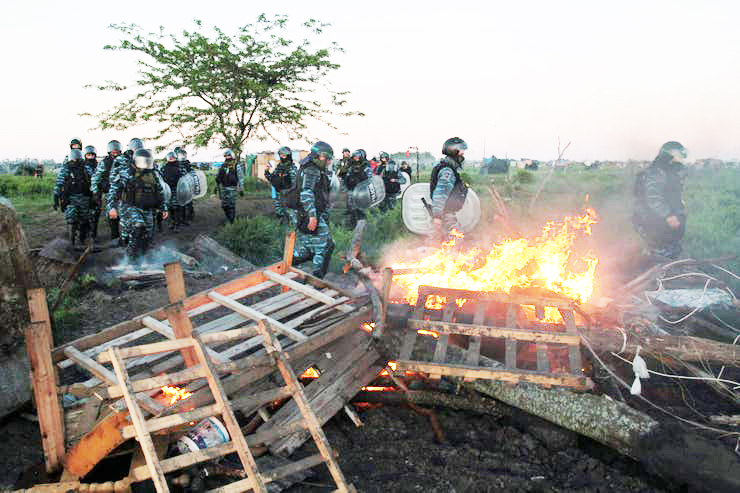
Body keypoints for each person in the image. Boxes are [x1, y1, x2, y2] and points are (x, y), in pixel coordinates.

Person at [108, 148, 168, 260]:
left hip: (147, 208)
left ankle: (142, 259)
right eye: (142, 161)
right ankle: (130, 259)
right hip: (129, 207)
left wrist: (163, 208)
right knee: (138, 226)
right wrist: (112, 207)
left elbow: (160, 192)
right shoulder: (126, 173)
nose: (144, 164)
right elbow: (114, 190)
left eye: (147, 161)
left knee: (148, 236)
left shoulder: (153, 174)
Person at [632, 141, 688, 259]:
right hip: (655, 222)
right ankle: (659, 265)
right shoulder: (656, 172)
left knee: (668, 248)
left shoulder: (667, 171)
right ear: (670, 155)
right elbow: (653, 198)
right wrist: (668, 215)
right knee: (661, 250)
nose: (681, 159)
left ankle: (661, 257)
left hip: (657, 221)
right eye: (679, 155)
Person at [291, 141, 334, 278]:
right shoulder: (311, 170)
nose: (328, 162)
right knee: (326, 245)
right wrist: (312, 216)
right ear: (320, 156)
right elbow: (306, 193)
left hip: (303, 213)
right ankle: (317, 281)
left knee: (309, 249)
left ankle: (291, 263)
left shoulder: (310, 167)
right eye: (327, 159)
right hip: (309, 214)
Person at [106, 138, 145, 247]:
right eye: (135, 148)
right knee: (129, 228)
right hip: (126, 200)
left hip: (144, 200)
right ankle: (125, 251)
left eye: (139, 148)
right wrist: (112, 206)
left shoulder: (146, 159)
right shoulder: (120, 160)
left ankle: (136, 251)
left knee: (144, 232)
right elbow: (113, 185)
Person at [430, 137, 468, 239]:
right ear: (454, 151)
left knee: (449, 241)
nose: (463, 155)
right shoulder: (447, 171)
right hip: (445, 215)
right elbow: (440, 194)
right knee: (456, 240)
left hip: (446, 213)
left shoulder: (447, 168)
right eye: (461, 152)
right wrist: (437, 216)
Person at [53, 149, 93, 247]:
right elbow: (59, 183)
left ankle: (83, 241)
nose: (76, 159)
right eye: (74, 157)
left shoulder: (86, 168)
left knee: (85, 220)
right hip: (70, 198)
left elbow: (93, 181)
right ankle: (71, 243)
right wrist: (56, 197)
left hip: (84, 198)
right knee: (71, 219)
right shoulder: (66, 168)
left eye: (78, 157)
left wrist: (95, 196)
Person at [92, 140, 122, 242]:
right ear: (109, 151)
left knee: (126, 215)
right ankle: (115, 237)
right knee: (112, 215)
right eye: (113, 151)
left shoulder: (125, 161)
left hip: (125, 192)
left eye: (116, 151)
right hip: (110, 193)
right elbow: (95, 178)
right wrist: (95, 192)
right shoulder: (104, 163)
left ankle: (127, 239)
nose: (115, 152)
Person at [338, 149, 373, 228]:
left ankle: (364, 228)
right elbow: (346, 178)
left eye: (358, 157)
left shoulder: (366, 167)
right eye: (355, 157)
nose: (356, 158)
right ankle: (352, 227)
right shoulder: (350, 166)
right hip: (351, 192)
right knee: (351, 211)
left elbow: (370, 180)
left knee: (362, 212)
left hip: (362, 193)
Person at [264, 146, 296, 223]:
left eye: (284, 155)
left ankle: (292, 230)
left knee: (290, 214)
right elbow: (272, 178)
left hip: (288, 194)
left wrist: (292, 194)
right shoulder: (279, 167)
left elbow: (295, 183)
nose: (282, 157)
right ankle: (281, 229)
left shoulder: (292, 168)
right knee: (279, 212)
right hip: (278, 193)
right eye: (280, 155)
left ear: (288, 156)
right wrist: (267, 171)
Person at [216, 149, 243, 223]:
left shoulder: (236, 165)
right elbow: (219, 176)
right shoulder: (223, 165)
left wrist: (241, 189)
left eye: (229, 155)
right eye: (226, 156)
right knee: (224, 205)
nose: (227, 157)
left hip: (232, 188)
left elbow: (240, 178)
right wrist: (217, 181)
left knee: (231, 205)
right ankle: (229, 218)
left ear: (232, 156)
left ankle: (231, 221)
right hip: (224, 188)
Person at [160, 151, 184, 231]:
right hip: (167, 190)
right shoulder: (164, 168)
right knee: (170, 207)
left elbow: (185, 180)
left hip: (177, 190)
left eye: (172, 157)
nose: (171, 159)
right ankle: (173, 222)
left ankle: (177, 224)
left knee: (176, 207)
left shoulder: (180, 167)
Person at [82, 146, 101, 241]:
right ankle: (84, 234)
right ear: (85, 156)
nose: (90, 157)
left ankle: (93, 234)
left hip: (97, 193)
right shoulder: (82, 166)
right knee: (85, 215)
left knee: (96, 214)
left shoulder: (99, 165)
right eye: (88, 155)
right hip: (85, 193)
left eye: (92, 155)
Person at [175, 147, 195, 224]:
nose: (182, 156)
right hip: (180, 187)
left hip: (188, 187)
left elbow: (193, 176)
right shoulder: (176, 165)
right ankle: (183, 218)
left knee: (188, 203)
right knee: (182, 204)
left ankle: (189, 217)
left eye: (183, 155)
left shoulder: (188, 165)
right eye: (181, 155)